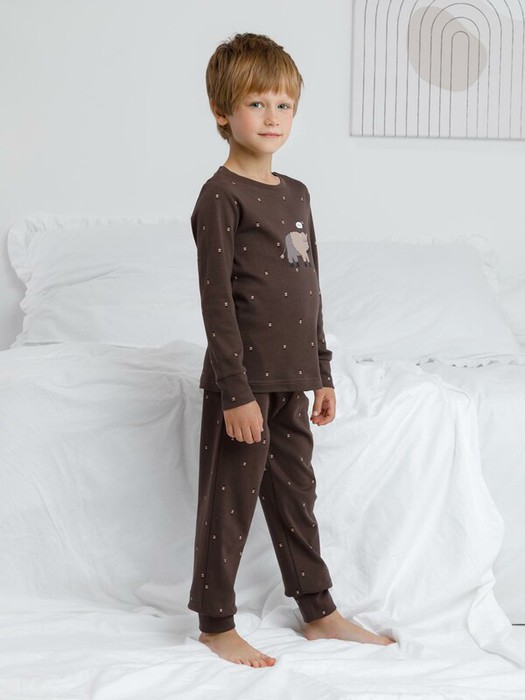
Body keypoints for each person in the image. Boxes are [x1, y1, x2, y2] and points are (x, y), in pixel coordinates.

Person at [187, 32, 395, 668]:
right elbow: (217, 303)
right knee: (229, 501)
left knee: (295, 496)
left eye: (284, 105)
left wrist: (321, 371)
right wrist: (235, 391)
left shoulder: (296, 192)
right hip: (245, 385)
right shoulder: (220, 196)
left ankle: (319, 612)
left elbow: (310, 287)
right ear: (223, 112)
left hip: (294, 377)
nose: (272, 117)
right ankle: (216, 623)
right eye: (257, 104)